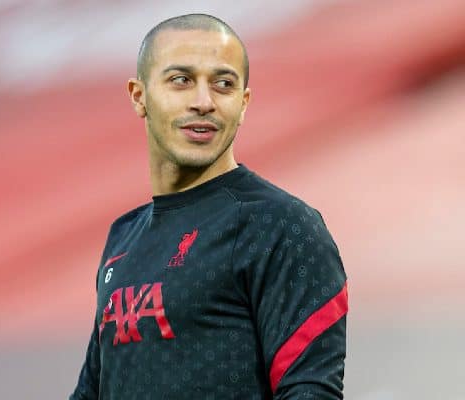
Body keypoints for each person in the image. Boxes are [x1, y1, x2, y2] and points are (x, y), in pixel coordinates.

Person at [70, 13, 348, 400]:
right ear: (140, 96)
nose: (204, 102)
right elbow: (91, 392)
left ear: (244, 103)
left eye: (223, 84)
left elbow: (310, 392)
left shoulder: (280, 226)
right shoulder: (124, 236)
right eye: (181, 80)